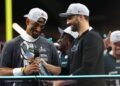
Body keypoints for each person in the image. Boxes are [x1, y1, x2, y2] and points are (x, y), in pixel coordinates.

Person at [0, 8, 60, 86]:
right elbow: (1, 72)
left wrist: (46, 67)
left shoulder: (50, 45)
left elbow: (58, 71)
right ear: (27, 21)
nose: (38, 29)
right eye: (35, 25)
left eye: (42, 26)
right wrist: (22, 71)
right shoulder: (11, 44)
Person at [52, 3, 106, 86]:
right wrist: (47, 67)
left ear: (81, 17)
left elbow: (87, 70)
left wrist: (61, 82)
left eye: (70, 18)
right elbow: (69, 69)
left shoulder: (92, 37)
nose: (67, 22)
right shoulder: (76, 40)